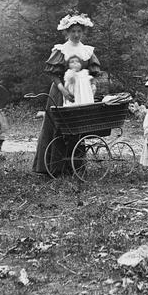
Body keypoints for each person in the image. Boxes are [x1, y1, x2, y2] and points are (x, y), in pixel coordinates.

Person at [32, 13, 101, 175]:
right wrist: (63, 89)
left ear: (83, 32)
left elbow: (93, 72)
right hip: (61, 91)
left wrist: (93, 85)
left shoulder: (87, 50)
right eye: (73, 31)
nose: (76, 35)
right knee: (58, 126)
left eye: (79, 31)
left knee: (78, 126)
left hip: (82, 92)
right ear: (67, 32)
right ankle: (55, 167)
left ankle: (75, 166)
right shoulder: (61, 50)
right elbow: (53, 74)